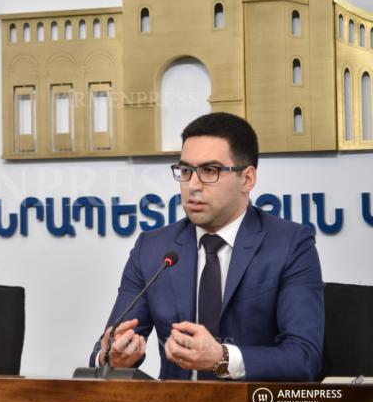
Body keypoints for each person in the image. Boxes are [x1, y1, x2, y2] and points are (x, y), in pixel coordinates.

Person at [89, 112, 324, 381]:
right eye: (186, 171)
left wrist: (222, 359)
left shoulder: (290, 245)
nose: (193, 185)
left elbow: (304, 357)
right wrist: (111, 357)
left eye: (209, 171)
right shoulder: (153, 249)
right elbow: (107, 347)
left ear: (247, 179)